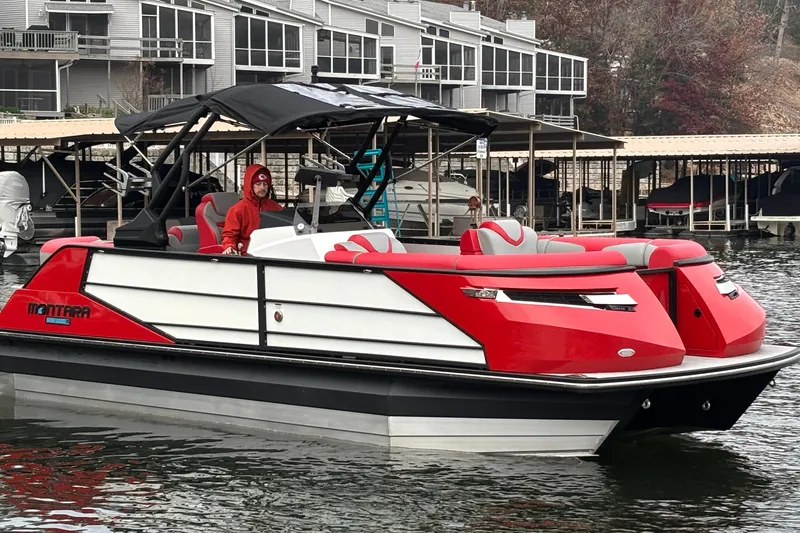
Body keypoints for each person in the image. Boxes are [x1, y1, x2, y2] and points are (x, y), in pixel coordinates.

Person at [221, 163, 282, 255]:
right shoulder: (237, 210)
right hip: (248, 256)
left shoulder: (276, 208)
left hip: (273, 253)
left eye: (265, 184)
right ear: (250, 185)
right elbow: (229, 235)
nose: (262, 187)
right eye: (258, 184)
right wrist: (229, 246)